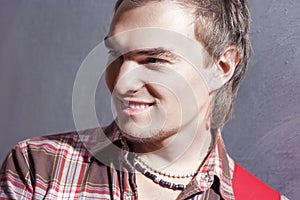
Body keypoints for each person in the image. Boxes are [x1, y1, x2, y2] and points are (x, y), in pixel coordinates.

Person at [0, 0, 289, 199]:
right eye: (116, 55)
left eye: (153, 59)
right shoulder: (39, 170)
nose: (122, 82)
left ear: (222, 67)